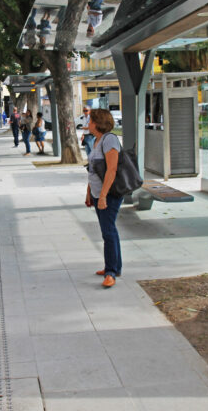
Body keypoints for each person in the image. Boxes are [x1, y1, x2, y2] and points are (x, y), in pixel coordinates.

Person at [84, 108, 122, 288]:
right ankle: (114, 266)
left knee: (108, 232)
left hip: (109, 194)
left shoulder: (110, 140)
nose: (88, 123)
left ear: (98, 122)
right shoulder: (97, 141)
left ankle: (111, 272)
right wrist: (89, 192)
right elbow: (93, 169)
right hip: (98, 193)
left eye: (90, 120)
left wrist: (103, 196)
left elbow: (112, 170)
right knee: (109, 230)